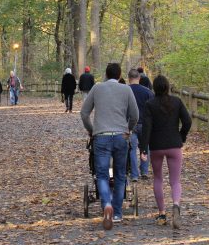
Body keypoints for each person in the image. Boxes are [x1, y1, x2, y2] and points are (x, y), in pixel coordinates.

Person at [80, 63, 138, 230]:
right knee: (120, 175)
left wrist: (92, 130)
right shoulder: (126, 89)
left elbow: (84, 113)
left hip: (101, 137)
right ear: (120, 75)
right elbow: (135, 115)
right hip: (121, 136)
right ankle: (118, 212)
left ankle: (106, 204)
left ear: (105, 74)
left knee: (102, 174)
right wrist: (129, 128)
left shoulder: (97, 88)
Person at [139, 75, 191, 229]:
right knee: (175, 181)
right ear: (168, 87)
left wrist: (143, 148)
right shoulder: (177, 101)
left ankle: (162, 214)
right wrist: (181, 136)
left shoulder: (150, 104)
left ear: (154, 88)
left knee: (158, 179)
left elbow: (146, 127)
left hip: (156, 146)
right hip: (174, 145)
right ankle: (176, 206)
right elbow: (187, 121)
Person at [127, 69, 155, 182]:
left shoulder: (125, 90)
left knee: (132, 149)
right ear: (139, 78)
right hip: (145, 124)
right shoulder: (148, 92)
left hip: (130, 124)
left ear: (129, 78)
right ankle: (144, 171)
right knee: (145, 148)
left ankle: (134, 174)